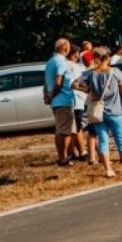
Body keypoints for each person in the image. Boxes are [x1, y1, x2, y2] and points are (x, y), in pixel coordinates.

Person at [80, 49, 122, 179]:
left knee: (103, 140)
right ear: (107, 58)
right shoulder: (116, 72)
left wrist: (88, 90)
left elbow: (75, 84)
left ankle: (108, 169)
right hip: (114, 110)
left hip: (98, 112)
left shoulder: (91, 74)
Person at [43, 37, 76, 167]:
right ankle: (62, 158)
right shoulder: (62, 62)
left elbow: (46, 81)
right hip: (63, 99)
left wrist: (46, 94)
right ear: (66, 49)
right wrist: (52, 95)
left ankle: (66, 156)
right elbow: (58, 81)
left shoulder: (50, 61)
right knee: (63, 130)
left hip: (57, 101)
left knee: (67, 130)